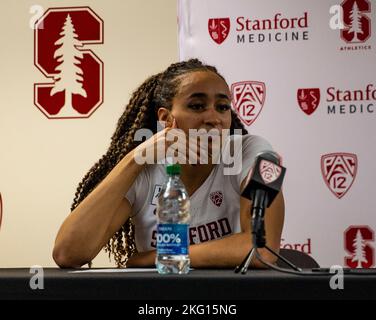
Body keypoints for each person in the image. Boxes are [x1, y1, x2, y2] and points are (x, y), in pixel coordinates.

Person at [52, 59, 284, 268]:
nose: (214, 118)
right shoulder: (145, 170)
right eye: (197, 105)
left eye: (222, 107)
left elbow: (261, 248)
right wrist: (133, 159)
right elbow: (68, 254)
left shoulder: (251, 151)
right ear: (165, 118)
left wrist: (156, 256)